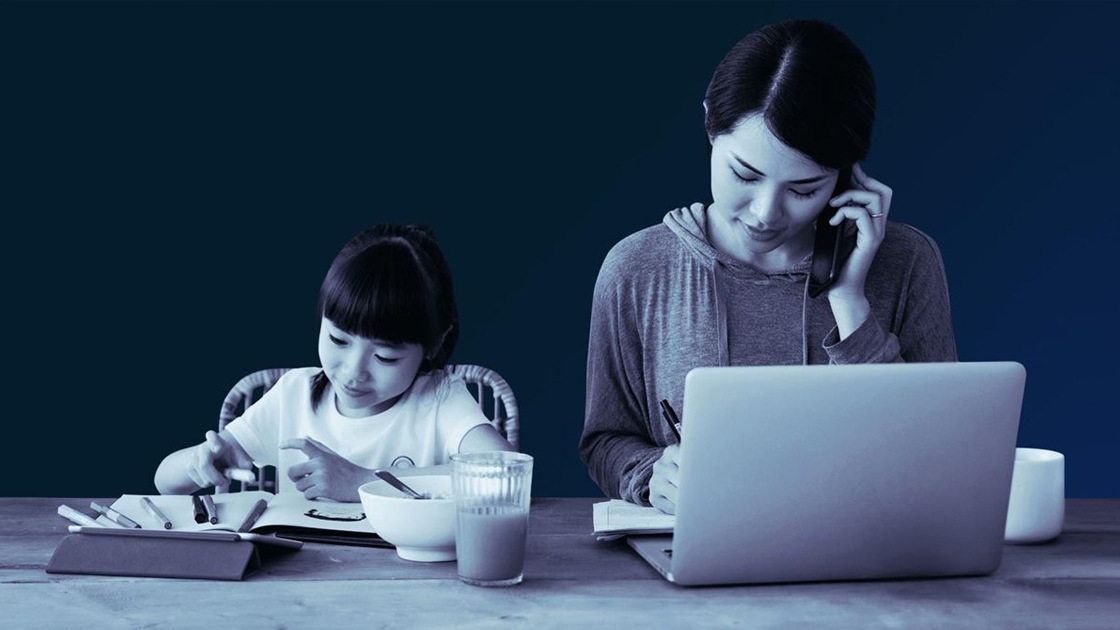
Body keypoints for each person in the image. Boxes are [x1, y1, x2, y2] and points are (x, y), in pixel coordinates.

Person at [579, 19, 957, 514]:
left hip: (870, 557)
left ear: (847, 177)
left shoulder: (907, 263)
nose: (765, 213)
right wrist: (651, 475)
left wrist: (849, 301)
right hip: (702, 557)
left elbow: (941, 451)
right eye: (744, 174)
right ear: (710, 124)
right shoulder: (637, 270)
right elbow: (606, 439)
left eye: (805, 190)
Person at [155, 224, 513, 501]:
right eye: (338, 340)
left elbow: (508, 476)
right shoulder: (293, 396)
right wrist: (200, 463)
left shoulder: (438, 400)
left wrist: (364, 481)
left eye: (386, 356)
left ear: (434, 344)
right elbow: (164, 480)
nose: (352, 372)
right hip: (300, 585)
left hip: (412, 581)